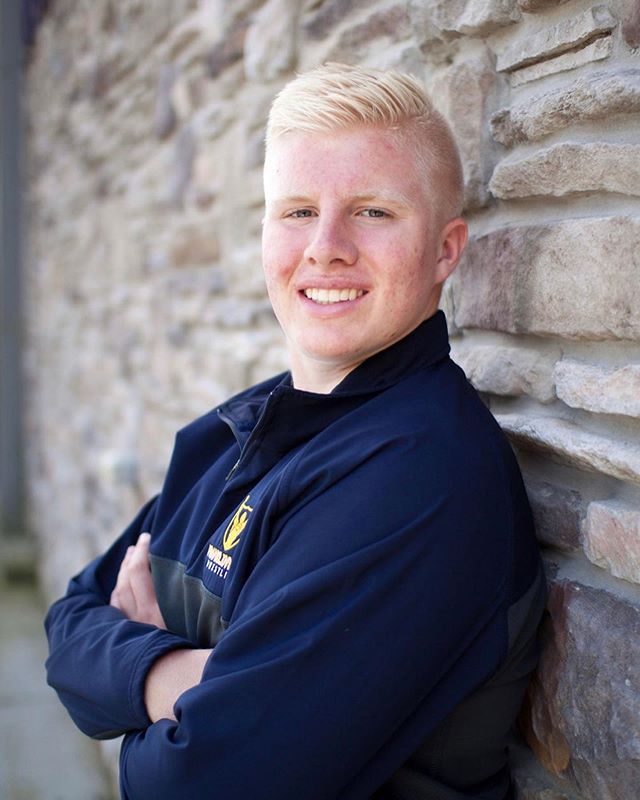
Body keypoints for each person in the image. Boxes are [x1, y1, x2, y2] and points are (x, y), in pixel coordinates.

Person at [45, 63, 545, 800]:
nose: (326, 247)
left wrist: (138, 695)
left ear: (446, 250)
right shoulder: (238, 432)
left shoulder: (418, 472)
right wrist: (175, 676)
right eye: (298, 211)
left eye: (373, 212)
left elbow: (194, 785)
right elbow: (67, 625)